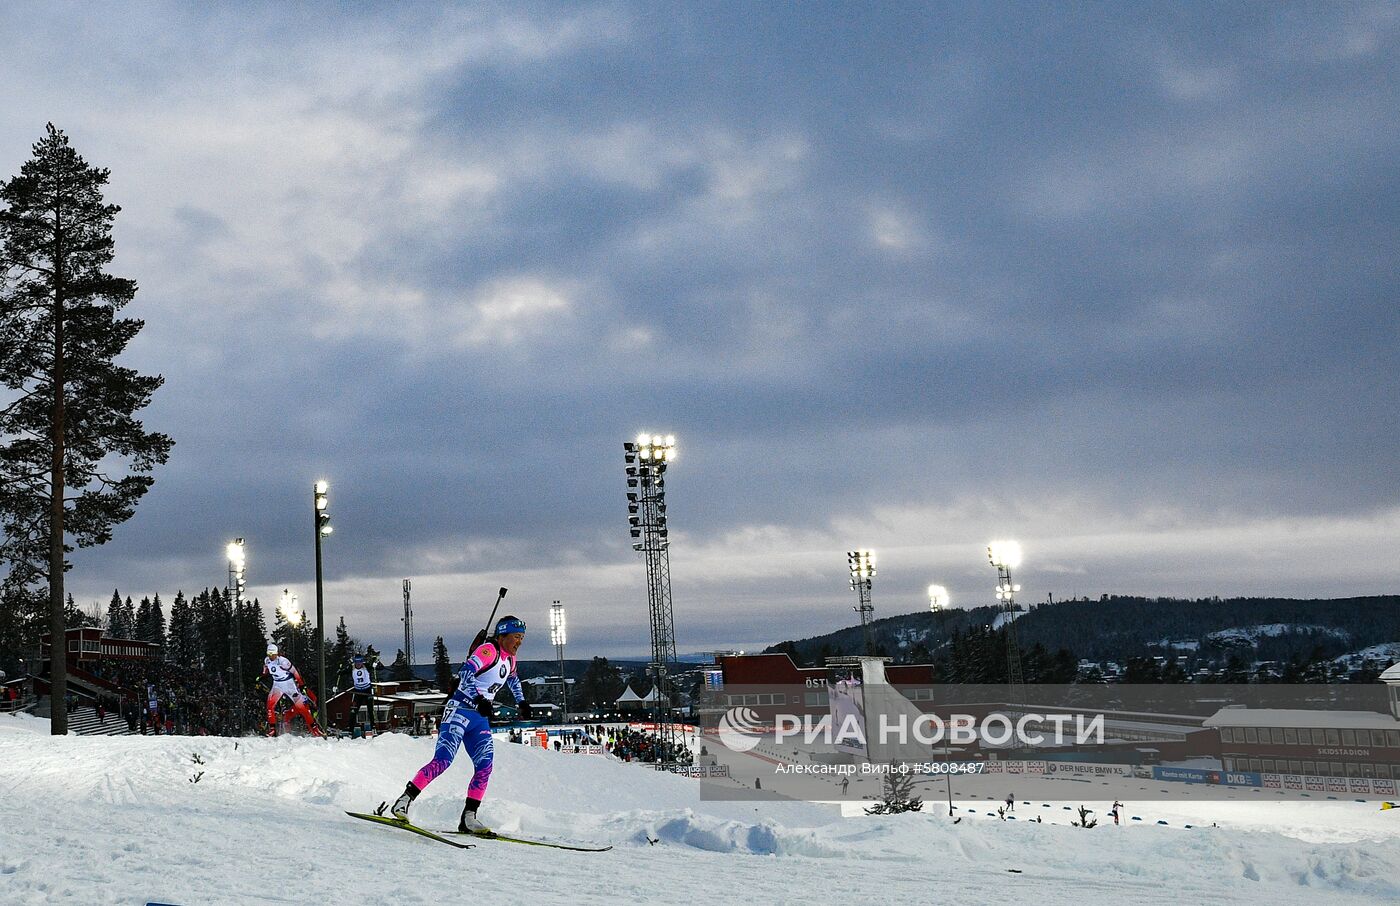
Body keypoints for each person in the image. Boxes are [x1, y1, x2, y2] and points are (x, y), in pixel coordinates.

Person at [389, 616, 533, 834]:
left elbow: (512, 678)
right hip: (459, 711)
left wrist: (521, 701)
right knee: (443, 761)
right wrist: (478, 699)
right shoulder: (488, 651)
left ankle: (469, 817)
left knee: (485, 766)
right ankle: (404, 801)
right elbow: (466, 673)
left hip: (479, 719)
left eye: (522, 638)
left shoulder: (510, 659)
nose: (519, 642)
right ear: (503, 636)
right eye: (516, 637)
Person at [260, 643, 322, 737]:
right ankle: (272, 729)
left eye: (272, 654)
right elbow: (266, 669)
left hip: (288, 684)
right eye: (269, 653)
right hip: (277, 684)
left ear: (277, 653)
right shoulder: (267, 660)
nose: (271, 656)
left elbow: (294, 671)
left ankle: (315, 729)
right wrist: (263, 675)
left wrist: (302, 685)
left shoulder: (283, 661)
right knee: (269, 705)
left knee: (302, 708)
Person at [346, 654, 376, 733]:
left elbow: (376, 668)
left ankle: (373, 727)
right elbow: (344, 672)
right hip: (358, 691)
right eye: (357, 662)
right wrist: (340, 672)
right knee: (354, 710)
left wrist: (375, 664)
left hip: (367, 690)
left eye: (360, 662)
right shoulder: (352, 668)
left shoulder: (366, 667)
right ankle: (350, 730)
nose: (358, 664)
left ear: (362, 662)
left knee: (370, 710)